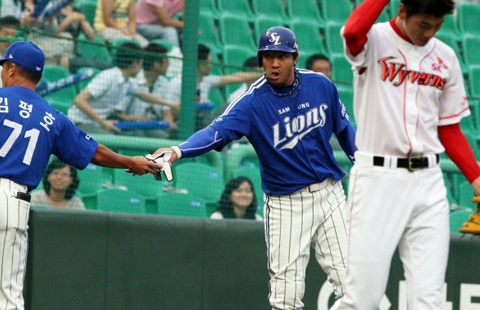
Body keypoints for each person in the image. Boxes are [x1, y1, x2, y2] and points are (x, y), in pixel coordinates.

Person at [151, 26, 358, 309]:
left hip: (330, 194)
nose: (274, 63)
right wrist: (178, 150)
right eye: (268, 56)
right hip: (287, 204)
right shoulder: (251, 102)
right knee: (286, 299)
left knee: (354, 286)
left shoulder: (321, 85)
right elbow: (216, 131)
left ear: (295, 57)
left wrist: (363, 164)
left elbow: (345, 129)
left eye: (281, 56)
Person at [337, 0, 480, 309]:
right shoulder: (375, 40)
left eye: (437, 25)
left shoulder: (445, 56)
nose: (430, 33)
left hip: (429, 182)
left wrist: (476, 178)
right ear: (402, 12)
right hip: (378, 178)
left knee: (428, 299)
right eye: (423, 25)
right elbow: (352, 31)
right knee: (362, 298)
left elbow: (449, 129)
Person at [0, 41, 159, 310]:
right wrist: (130, 161)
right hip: (17, 202)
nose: (3, 72)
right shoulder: (53, 118)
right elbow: (94, 152)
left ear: (13, 68)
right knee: (10, 297)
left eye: (5, 66)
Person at [68, 42, 178, 134]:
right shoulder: (108, 77)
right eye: (141, 64)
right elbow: (79, 100)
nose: (142, 68)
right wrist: (103, 122)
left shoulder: (127, 81)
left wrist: (170, 104)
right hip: (80, 122)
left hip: (98, 123)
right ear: (135, 64)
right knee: (112, 143)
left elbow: (144, 96)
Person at [118, 42, 181, 137]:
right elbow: (117, 115)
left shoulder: (164, 82)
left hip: (154, 127)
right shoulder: (132, 81)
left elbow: (167, 114)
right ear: (156, 64)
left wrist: (172, 127)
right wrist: (140, 119)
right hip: (130, 128)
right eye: (166, 61)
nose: (169, 64)